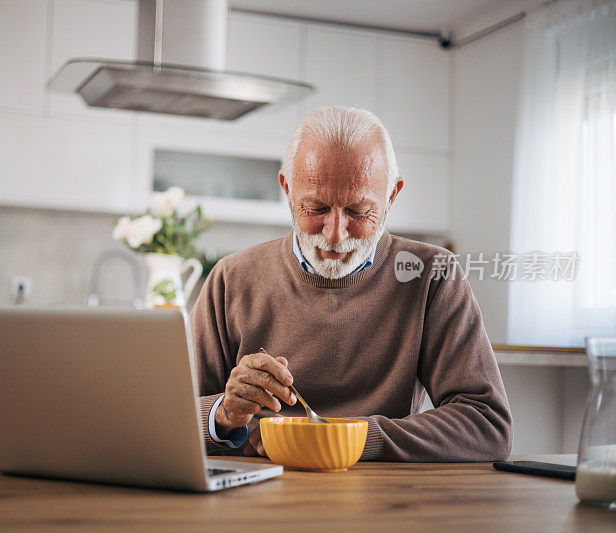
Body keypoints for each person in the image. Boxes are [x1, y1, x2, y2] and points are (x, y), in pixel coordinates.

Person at [192, 106, 513, 461]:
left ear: (392, 196)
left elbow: (488, 426)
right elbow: (168, 419)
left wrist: (347, 439)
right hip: (254, 498)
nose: (334, 234)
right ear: (286, 188)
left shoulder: (432, 275)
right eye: (315, 208)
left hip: (384, 501)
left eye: (358, 212)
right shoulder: (230, 279)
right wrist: (222, 414)